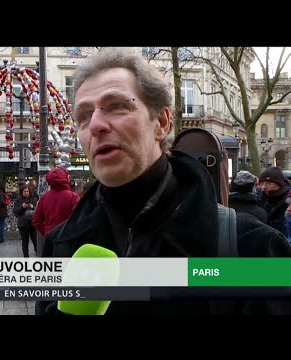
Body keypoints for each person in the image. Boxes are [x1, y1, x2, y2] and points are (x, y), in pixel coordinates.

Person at [37, 47, 291, 315]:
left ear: (161, 122)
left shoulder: (252, 247)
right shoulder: (60, 245)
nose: (96, 124)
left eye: (117, 106)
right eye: (84, 116)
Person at [32, 167, 80, 239]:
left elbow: (37, 220)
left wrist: (46, 232)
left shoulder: (44, 198)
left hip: (50, 236)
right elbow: (79, 217)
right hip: (68, 237)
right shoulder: (73, 197)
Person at [259, 166, 291, 238]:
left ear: (279, 185)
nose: (264, 187)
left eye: (269, 183)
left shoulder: (288, 201)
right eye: (262, 183)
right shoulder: (260, 197)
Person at [13, 184, 38, 257]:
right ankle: (26, 255)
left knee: (35, 239)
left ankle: (37, 252)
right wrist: (22, 207)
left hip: (33, 223)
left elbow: (38, 210)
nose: (26, 193)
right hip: (23, 224)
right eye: (25, 191)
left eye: (27, 191)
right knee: (25, 241)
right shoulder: (18, 200)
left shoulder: (33, 199)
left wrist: (32, 206)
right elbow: (15, 211)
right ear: (22, 192)